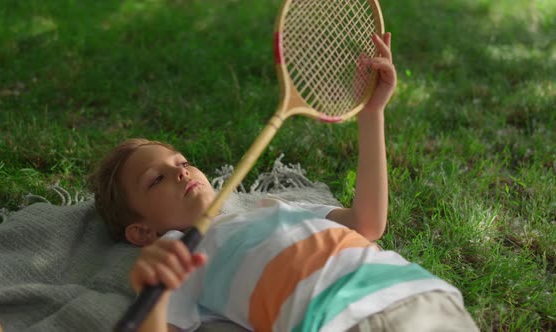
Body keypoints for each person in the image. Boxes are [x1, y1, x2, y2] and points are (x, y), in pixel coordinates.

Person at [90, 33, 479, 332]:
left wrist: (372, 113)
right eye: (156, 179)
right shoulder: (175, 253)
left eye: (183, 162)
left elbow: (367, 223)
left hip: (425, 295)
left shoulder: (273, 207)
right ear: (142, 231)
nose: (181, 172)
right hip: (339, 321)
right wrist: (152, 295)